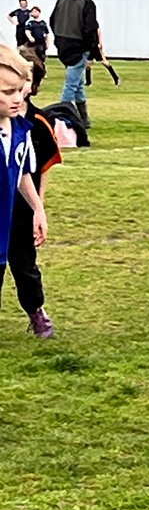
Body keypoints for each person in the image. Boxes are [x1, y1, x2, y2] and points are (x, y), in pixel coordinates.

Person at [7, 48, 62, 337]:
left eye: (23, 83)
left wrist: (38, 207)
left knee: (24, 264)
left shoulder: (34, 124)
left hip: (19, 208)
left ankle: (35, 311)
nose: (18, 94)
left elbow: (27, 171)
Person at [0, 45, 48, 311]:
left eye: (20, 90)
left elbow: (21, 173)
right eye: (8, 92)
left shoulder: (21, 129)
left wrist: (38, 209)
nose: (18, 98)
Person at [49, 0, 100, 129]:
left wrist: (59, 38)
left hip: (62, 44)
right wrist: (92, 51)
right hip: (79, 46)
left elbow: (52, 20)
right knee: (71, 84)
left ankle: (84, 119)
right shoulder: (87, 3)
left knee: (77, 82)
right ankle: (62, 118)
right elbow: (90, 29)